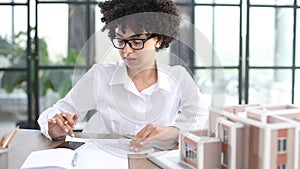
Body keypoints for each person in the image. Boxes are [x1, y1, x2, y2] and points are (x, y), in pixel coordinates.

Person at [38, 0, 208, 152]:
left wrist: (172, 131)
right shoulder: (100, 76)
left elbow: (206, 122)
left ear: (157, 39)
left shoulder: (178, 78)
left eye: (136, 41)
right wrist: (55, 128)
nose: (126, 51)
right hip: (106, 160)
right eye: (121, 41)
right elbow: (56, 113)